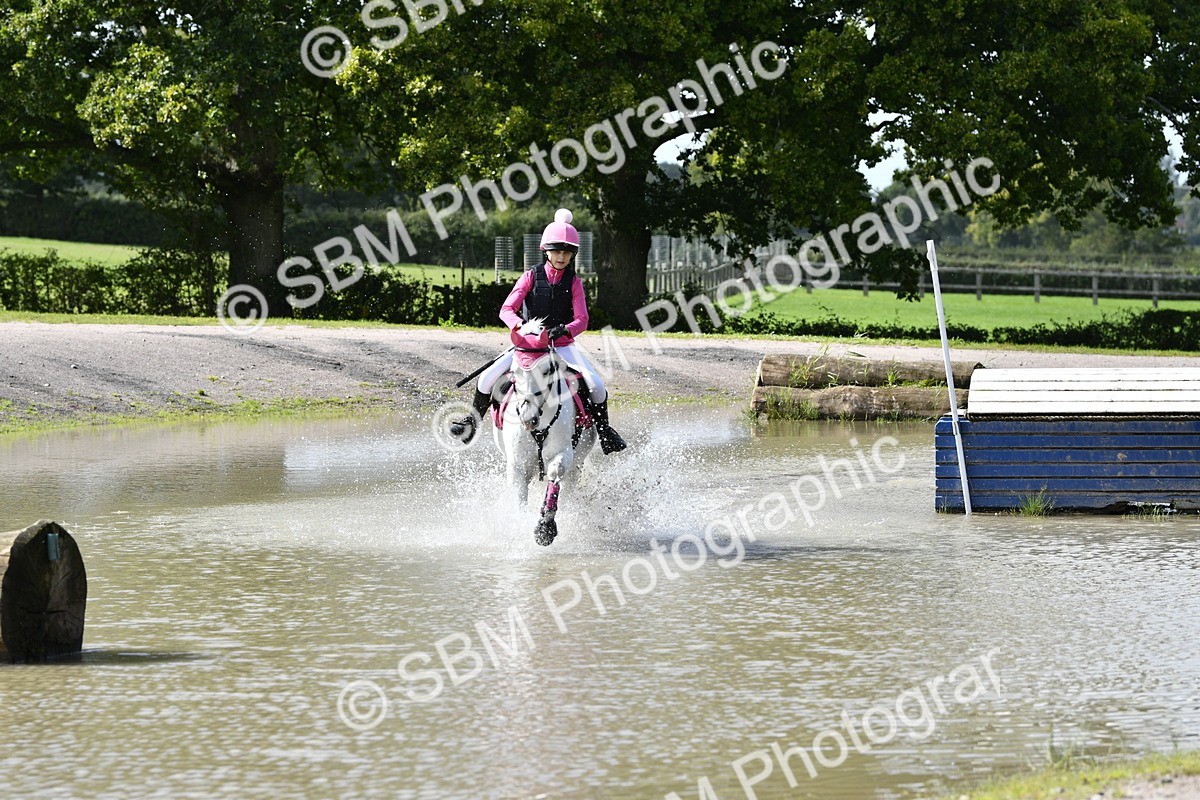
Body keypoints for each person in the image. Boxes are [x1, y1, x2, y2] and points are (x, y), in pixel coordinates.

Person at [449, 208, 627, 454]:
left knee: (596, 386)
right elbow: (506, 310)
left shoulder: (574, 283)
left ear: (572, 254)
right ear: (546, 251)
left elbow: (583, 320)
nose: (561, 257)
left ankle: (605, 432)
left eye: (566, 252)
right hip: (528, 345)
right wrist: (523, 327)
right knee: (486, 378)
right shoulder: (531, 276)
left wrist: (565, 330)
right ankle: (472, 423)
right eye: (557, 251)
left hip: (562, 346)